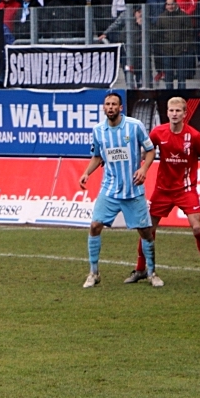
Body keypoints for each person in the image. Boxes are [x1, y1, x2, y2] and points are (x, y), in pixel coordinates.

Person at [128, 98, 200, 286]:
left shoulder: (195, 136)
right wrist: (134, 168)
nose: (174, 114)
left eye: (178, 111)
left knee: (197, 227)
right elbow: (144, 154)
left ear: (184, 114)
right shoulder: (158, 133)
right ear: (167, 112)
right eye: (171, 110)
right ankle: (141, 269)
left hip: (186, 189)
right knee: (147, 229)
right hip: (163, 189)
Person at [79, 92, 159, 288]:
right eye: (107, 104)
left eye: (114, 104)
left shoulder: (134, 126)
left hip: (133, 189)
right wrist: (86, 173)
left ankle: (152, 272)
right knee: (95, 226)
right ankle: (93, 273)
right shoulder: (98, 130)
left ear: (120, 107)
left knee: (146, 232)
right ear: (103, 108)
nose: (111, 107)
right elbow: (98, 156)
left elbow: (150, 150)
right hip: (110, 188)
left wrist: (143, 169)